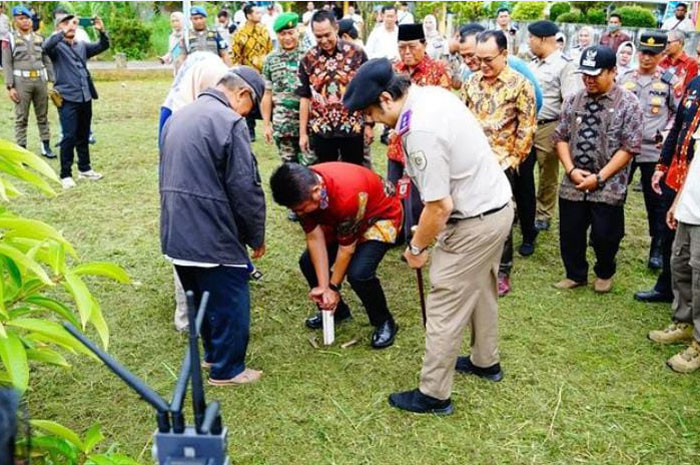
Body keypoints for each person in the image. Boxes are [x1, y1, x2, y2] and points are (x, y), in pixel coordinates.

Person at [344, 58, 513, 414]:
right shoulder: (430, 94)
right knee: (482, 288)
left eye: (370, 113)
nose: (369, 121)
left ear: (388, 99)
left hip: (474, 219)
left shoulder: (421, 129)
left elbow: (438, 206)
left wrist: (417, 246)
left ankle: (434, 394)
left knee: (444, 303)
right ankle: (486, 361)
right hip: (496, 207)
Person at [160, 66, 266, 386]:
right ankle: (228, 368)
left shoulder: (179, 115)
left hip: (176, 229)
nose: (248, 116)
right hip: (211, 229)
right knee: (231, 298)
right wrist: (255, 236)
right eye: (251, 110)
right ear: (242, 94)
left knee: (200, 297)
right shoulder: (229, 121)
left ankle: (211, 356)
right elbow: (245, 188)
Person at [270, 162, 402, 348]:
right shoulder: (302, 193)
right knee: (307, 263)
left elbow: (346, 249)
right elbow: (315, 238)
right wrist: (324, 287)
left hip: (379, 215)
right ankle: (337, 312)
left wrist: (332, 286)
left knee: (359, 274)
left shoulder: (347, 195)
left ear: (317, 191)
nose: (297, 214)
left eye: (300, 209)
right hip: (341, 219)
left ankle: (384, 321)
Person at [553, 45, 642, 293]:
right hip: (575, 180)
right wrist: (570, 170)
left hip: (608, 183)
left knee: (606, 234)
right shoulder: (573, 99)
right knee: (570, 231)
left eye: (595, 74)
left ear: (613, 71)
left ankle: (604, 271)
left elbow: (629, 146)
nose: (588, 80)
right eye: (585, 74)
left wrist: (600, 177)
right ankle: (575, 274)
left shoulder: (629, 103)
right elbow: (560, 137)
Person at [462, 30, 536, 297]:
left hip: (503, 162)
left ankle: (503, 270)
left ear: (504, 54)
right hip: (472, 161)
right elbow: (462, 119)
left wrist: (515, 159)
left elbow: (527, 127)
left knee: (500, 217)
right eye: (477, 59)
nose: (482, 65)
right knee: (471, 213)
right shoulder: (471, 82)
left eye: (488, 59)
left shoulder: (520, 85)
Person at [158, 53, 229, 331]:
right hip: (182, 188)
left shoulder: (216, 110)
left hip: (207, 187)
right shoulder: (174, 109)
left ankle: (207, 307)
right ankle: (186, 316)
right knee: (186, 249)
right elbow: (166, 154)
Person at [636, 75, 700, 303]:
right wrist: (662, 165)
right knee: (669, 233)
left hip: (696, 180)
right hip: (677, 173)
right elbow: (677, 130)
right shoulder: (695, 84)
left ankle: (689, 298)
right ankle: (665, 287)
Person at [387, 23, 451, 243]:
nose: (406, 52)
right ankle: (396, 231)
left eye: (412, 47)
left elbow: (443, 109)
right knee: (395, 190)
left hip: (424, 145)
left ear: (424, 45)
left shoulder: (437, 71)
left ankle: (417, 235)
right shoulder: (393, 70)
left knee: (418, 196)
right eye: (402, 47)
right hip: (397, 145)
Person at [620, 32, 676, 272]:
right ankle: (608, 235)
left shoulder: (669, 81)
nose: (646, 58)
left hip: (653, 150)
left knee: (656, 202)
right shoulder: (623, 78)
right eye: (643, 52)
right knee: (616, 194)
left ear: (661, 55)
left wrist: (666, 133)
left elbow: (676, 113)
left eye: (652, 54)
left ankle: (657, 247)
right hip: (624, 148)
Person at [44, 12, 109, 189]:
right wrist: (62, 32)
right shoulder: (56, 48)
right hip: (67, 98)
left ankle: (85, 168)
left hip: (85, 96)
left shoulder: (81, 46)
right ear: (58, 28)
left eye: (72, 23)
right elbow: (46, 46)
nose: (71, 27)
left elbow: (103, 46)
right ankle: (65, 174)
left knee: (83, 135)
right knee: (69, 136)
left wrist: (101, 31)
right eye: (65, 24)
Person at [648, 153, 700, 373]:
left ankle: (698, 344)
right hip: (689, 210)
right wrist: (678, 203)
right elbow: (693, 167)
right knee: (680, 266)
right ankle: (684, 324)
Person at [297, 10, 370, 165]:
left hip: (352, 128)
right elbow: (304, 97)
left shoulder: (356, 54)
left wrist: (369, 124)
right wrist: (303, 133)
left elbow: (367, 91)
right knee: (326, 175)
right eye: (318, 36)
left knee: (354, 174)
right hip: (321, 131)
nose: (324, 40)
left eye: (327, 35)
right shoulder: (307, 59)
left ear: (336, 28)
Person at [527, 20, 578, 233]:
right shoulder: (531, 65)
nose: (528, 42)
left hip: (549, 125)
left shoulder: (565, 65)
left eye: (531, 38)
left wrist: (562, 133)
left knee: (547, 172)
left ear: (543, 39)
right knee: (522, 171)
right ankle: (524, 209)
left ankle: (543, 213)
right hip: (527, 124)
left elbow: (570, 101)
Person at [2, 5, 55, 158]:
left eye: (27, 19)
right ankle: (22, 151)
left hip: (40, 80)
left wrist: (53, 80)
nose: (25, 22)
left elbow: (47, 59)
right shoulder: (9, 39)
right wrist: (10, 86)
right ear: (15, 21)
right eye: (21, 19)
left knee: (43, 115)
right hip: (21, 81)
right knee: (21, 118)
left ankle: (46, 146)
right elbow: (7, 63)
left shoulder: (40, 38)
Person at [262, 12, 307, 168]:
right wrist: (266, 124)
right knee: (290, 169)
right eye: (282, 34)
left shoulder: (309, 56)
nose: (287, 37)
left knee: (311, 167)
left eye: (290, 33)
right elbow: (267, 94)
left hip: (308, 124)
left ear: (297, 32)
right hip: (283, 125)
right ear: (277, 35)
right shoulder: (270, 60)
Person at [231, 3, 273, 141]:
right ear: (248, 15)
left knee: (267, 99)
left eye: (260, 13)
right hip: (247, 74)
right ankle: (250, 130)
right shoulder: (240, 33)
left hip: (264, 72)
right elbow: (236, 55)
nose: (259, 15)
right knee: (248, 101)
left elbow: (269, 50)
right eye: (256, 13)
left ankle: (270, 126)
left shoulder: (264, 30)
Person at [659, 29, 699, 100]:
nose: (665, 46)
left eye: (668, 42)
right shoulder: (661, 62)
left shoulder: (691, 63)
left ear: (680, 43)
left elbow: (690, 90)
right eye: (664, 42)